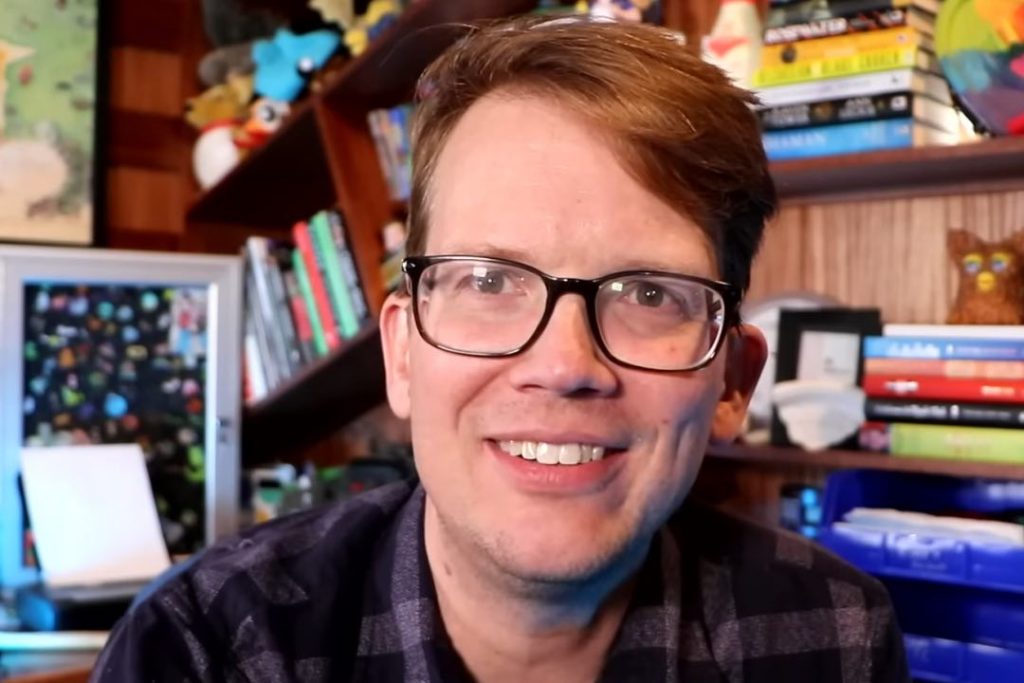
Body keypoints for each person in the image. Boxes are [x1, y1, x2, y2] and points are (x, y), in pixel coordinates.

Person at [92, 15, 909, 683]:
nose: (564, 366)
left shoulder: (831, 636)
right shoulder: (206, 649)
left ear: (733, 380)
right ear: (404, 352)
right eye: (488, 281)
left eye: (649, 294)